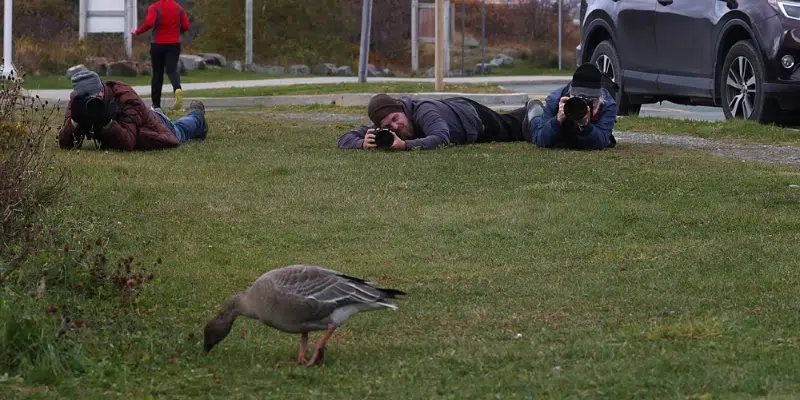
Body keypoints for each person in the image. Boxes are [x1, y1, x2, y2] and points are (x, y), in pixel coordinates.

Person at [57, 70, 208, 151]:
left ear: (102, 90)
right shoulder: (77, 102)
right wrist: (74, 122)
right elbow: (65, 145)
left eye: (96, 95)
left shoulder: (124, 96)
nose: (93, 100)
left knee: (181, 130)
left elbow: (128, 142)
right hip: (139, 122)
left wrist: (106, 122)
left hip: (156, 126)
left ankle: (196, 114)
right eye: (87, 97)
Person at [336, 93, 531, 151]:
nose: (395, 127)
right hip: (448, 109)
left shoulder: (423, 111)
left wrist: (405, 145)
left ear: (402, 110)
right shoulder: (386, 126)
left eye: (396, 119)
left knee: (512, 127)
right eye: (387, 126)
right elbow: (344, 138)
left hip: (471, 116)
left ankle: (534, 110)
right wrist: (361, 143)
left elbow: (441, 138)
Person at [525, 63, 618, 150]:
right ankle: (534, 109)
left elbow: (601, 141)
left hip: (580, 132)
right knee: (533, 125)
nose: (586, 107)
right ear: (570, 96)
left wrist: (585, 126)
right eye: (580, 100)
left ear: (600, 99)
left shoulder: (608, 105)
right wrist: (557, 120)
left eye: (592, 101)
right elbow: (540, 139)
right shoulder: (555, 99)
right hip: (537, 119)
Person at [131, 0, 191, 111]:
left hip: (158, 44)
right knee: (172, 70)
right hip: (174, 44)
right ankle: (177, 89)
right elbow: (186, 25)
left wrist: (137, 31)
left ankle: (156, 105)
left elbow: (149, 23)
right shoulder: (179, 8)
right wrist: (178, 31)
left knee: (157, 73)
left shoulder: (155, 7)